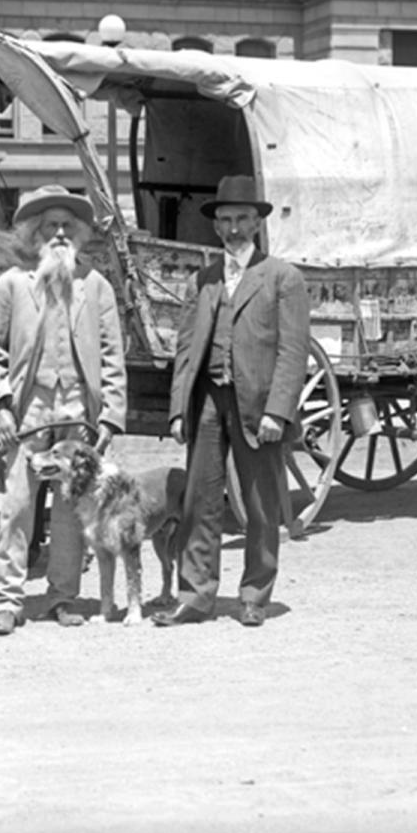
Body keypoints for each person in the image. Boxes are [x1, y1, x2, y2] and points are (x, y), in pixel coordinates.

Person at [156, 175, 308, 628]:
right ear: (216, 226)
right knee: (199, 502)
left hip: (258, 407)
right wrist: (179, 409)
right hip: (207, 401)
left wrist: (278, 411)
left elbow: (293, 351)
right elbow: (186, 349)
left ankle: (254, 595)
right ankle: (196, 596)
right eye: (225, 220)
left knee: (260, 506)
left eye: (242, 218)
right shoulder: (203, 280)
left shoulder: (283, 278)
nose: (233, 228)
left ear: (258, 222)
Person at [0, 184, 126, 635]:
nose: (59, 233)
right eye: (49, 226)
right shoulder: (12, 285)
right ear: (34, 234)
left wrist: (110, 417)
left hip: (79, 412)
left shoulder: (96, 286)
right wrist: (1, 407)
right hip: (29, 411)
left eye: (66, 226)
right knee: (18, 507)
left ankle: (63, 596)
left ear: (79, 234)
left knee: (70, 513)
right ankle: (7, 600)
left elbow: (113, 357)